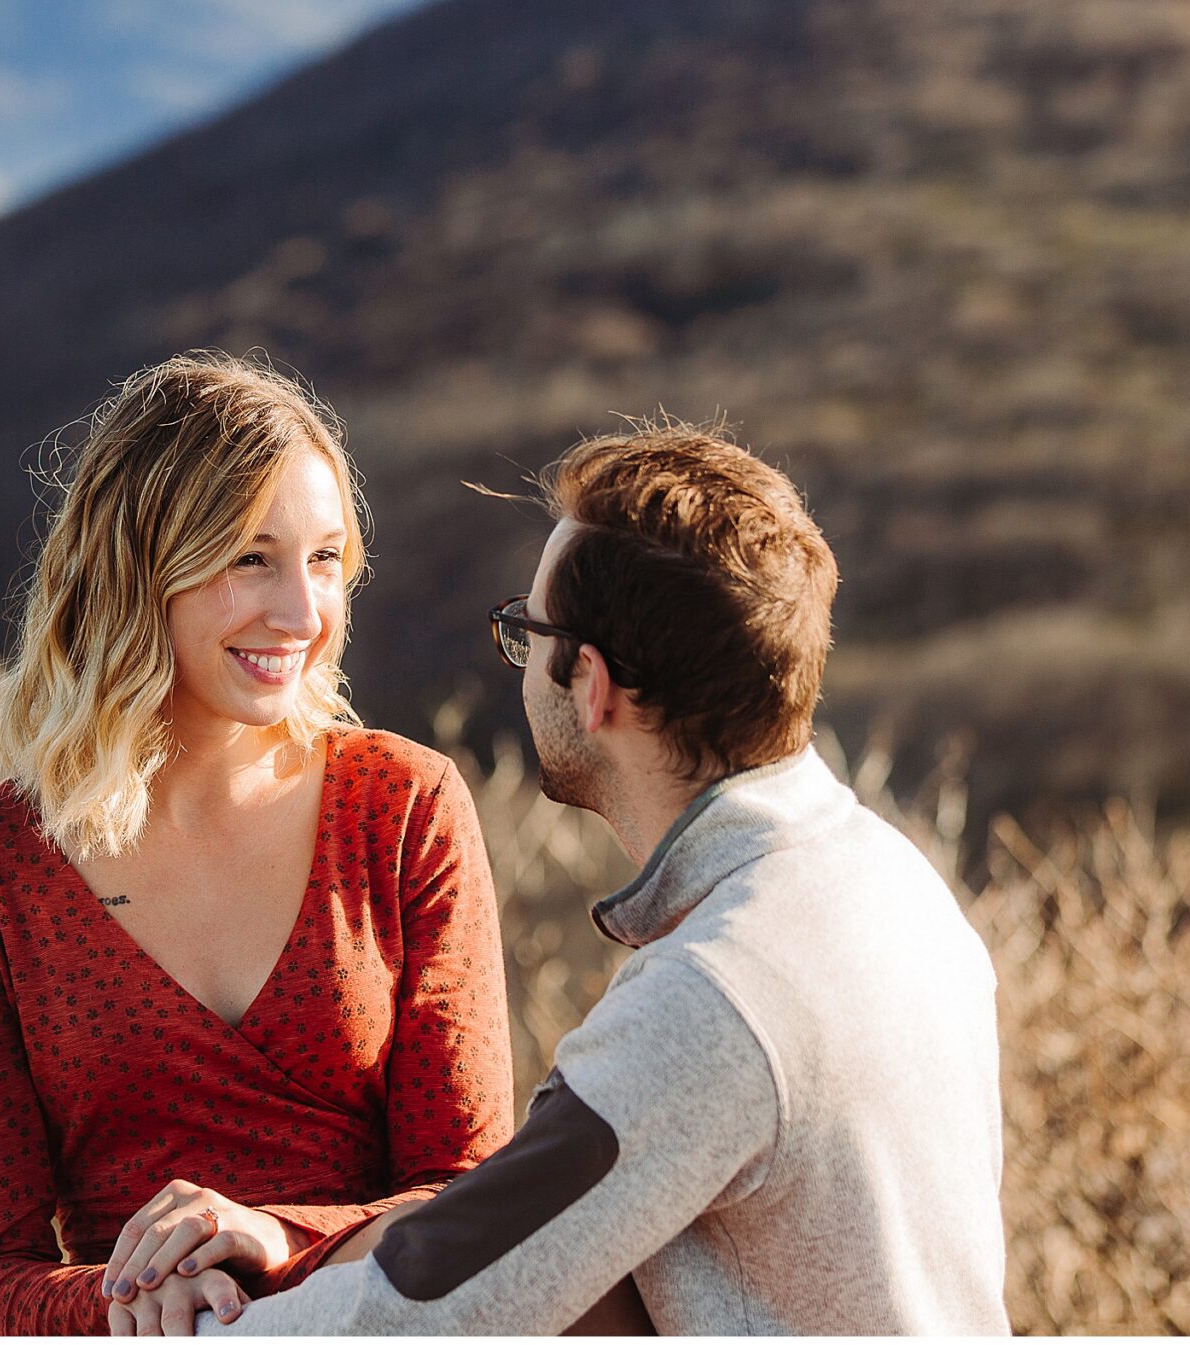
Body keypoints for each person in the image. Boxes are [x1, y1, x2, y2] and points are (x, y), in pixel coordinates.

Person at [212, 421, 1010, 1335]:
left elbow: (428, 1307)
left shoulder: (714, 994)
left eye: (527, 629)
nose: (518, 657)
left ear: (590, 685)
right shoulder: (893, 882)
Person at [0, 353, 514, 1336]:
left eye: (323, 559)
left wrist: (275, 1238)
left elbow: (472, 1202)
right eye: (248, 558)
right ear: (138, 573)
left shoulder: (402, 808)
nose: (302, 615)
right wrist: (141, 1298)